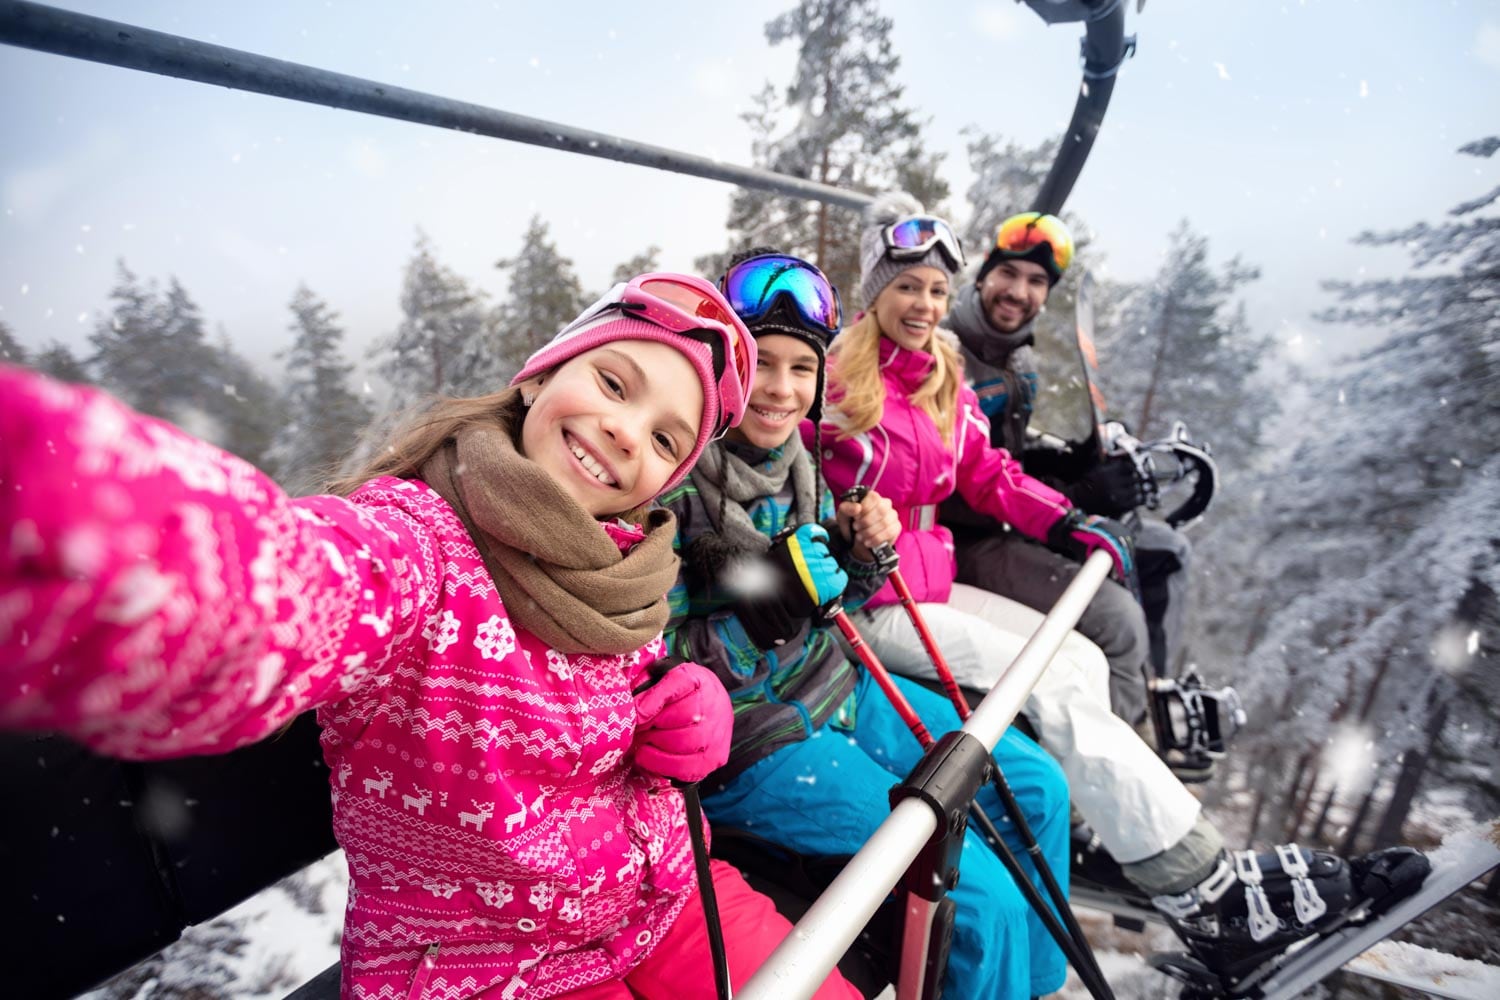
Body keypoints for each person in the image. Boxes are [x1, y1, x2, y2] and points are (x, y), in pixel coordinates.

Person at [0, 274, 861, 1000]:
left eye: (666, 437)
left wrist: (686, 700)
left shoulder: (625, 563)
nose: (626, 431)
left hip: (668, 892)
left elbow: (632, 684)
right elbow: (280, 594)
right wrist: (85, 521)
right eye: (613, 383)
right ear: (541, 375)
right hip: (491, 965)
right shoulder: (418, 545)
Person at [814, 194, 1429, 984]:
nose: (925, 305)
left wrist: (1067, 520)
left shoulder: (942, 377)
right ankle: (1204, 886)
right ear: (875, 292)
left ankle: (1122, 819)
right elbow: (787, 473)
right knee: (1047, 680)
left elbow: (988, 473)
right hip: (870, 598)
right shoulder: (835, 379)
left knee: (1074, 657)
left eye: (936, 291)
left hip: (927, 579)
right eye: (908, 288)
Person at [660, 248, 1072, 999]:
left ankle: (1031, 986)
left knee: (1038, 786)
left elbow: (826, 605)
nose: (781, 390)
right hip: (756, 739)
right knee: (983, 899)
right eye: (761, 365)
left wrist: (857, 561)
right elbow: (654, 666)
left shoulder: (798, 459)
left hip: (838, 688)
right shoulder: (675, 479)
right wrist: (759, 620)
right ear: (722, 365)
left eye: (801, 369)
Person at [943, 209, 1195, 761]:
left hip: (1002, 515)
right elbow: (953, 483)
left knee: (1161, 550)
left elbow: (1004, 456)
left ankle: (1148, 699)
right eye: (1008, 274)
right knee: (1118, 620)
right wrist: (1077, 499)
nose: (1019, 292)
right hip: (961, 540)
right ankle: (1105, 774)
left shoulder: (1016, 361)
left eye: (1036, 282)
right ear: (983, 275)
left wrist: (1074, 464)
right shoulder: (947, 357)